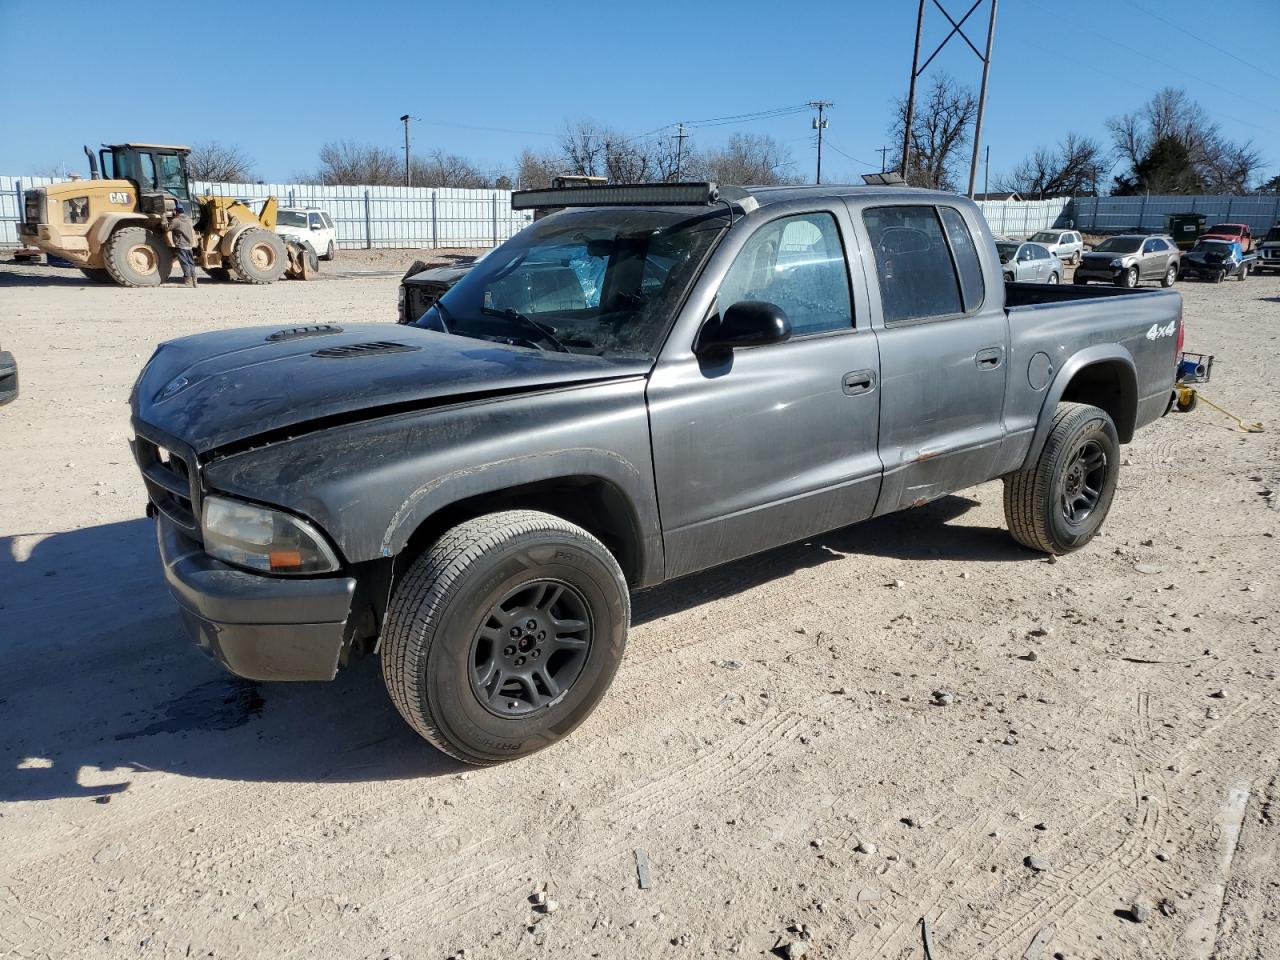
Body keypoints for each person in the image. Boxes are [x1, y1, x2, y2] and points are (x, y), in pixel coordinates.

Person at [165, 201, 198, 287]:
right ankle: (195, 282)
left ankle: (188, 282)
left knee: (184, 263)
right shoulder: (189, 220)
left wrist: (163, 219)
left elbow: (166, 228)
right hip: (189, 245)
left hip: (181, 245)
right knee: (191, 263)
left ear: (176, 211)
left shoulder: (176, 220)